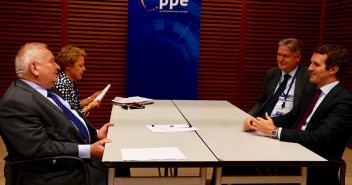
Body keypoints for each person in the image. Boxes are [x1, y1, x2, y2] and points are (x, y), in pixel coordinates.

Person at [0, 43, 112, 185]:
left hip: (73, 159)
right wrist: (89, 150)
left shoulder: (47, 88)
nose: (58, 67)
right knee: (119, 173)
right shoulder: (15, 102)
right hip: (56, 172)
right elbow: (40, 149)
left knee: (121, 165)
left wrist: (95, 134)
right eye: (52, 61)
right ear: (34, 68)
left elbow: (70, 118)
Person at [243, 44, 352, 185]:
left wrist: (275, 132)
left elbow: (319, 138)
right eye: (311, 63)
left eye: (316, 64)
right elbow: (290, 118)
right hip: (292, 152)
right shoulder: (313, 92)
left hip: (314, 165)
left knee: (244, 168)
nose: (310, 68)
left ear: (333, 69)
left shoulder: (344, 101)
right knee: (233, 164)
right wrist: (258, 124)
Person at [248, 38, 316, 119]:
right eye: (279, 55)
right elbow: (261, 102)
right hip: (262, 120)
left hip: (285, 125)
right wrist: (248, 117)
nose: (280, 59)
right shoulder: (271, 73)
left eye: (285, 56)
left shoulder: (308, 76)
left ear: (297, 57)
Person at [54, 45, 101, 116]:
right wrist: (89, 107)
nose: (84, 69)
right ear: (68, 66)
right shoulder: (61, 84)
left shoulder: (70, 81)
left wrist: (90, 99)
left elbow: (73, 105)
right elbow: (70, 117)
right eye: (80, 66)